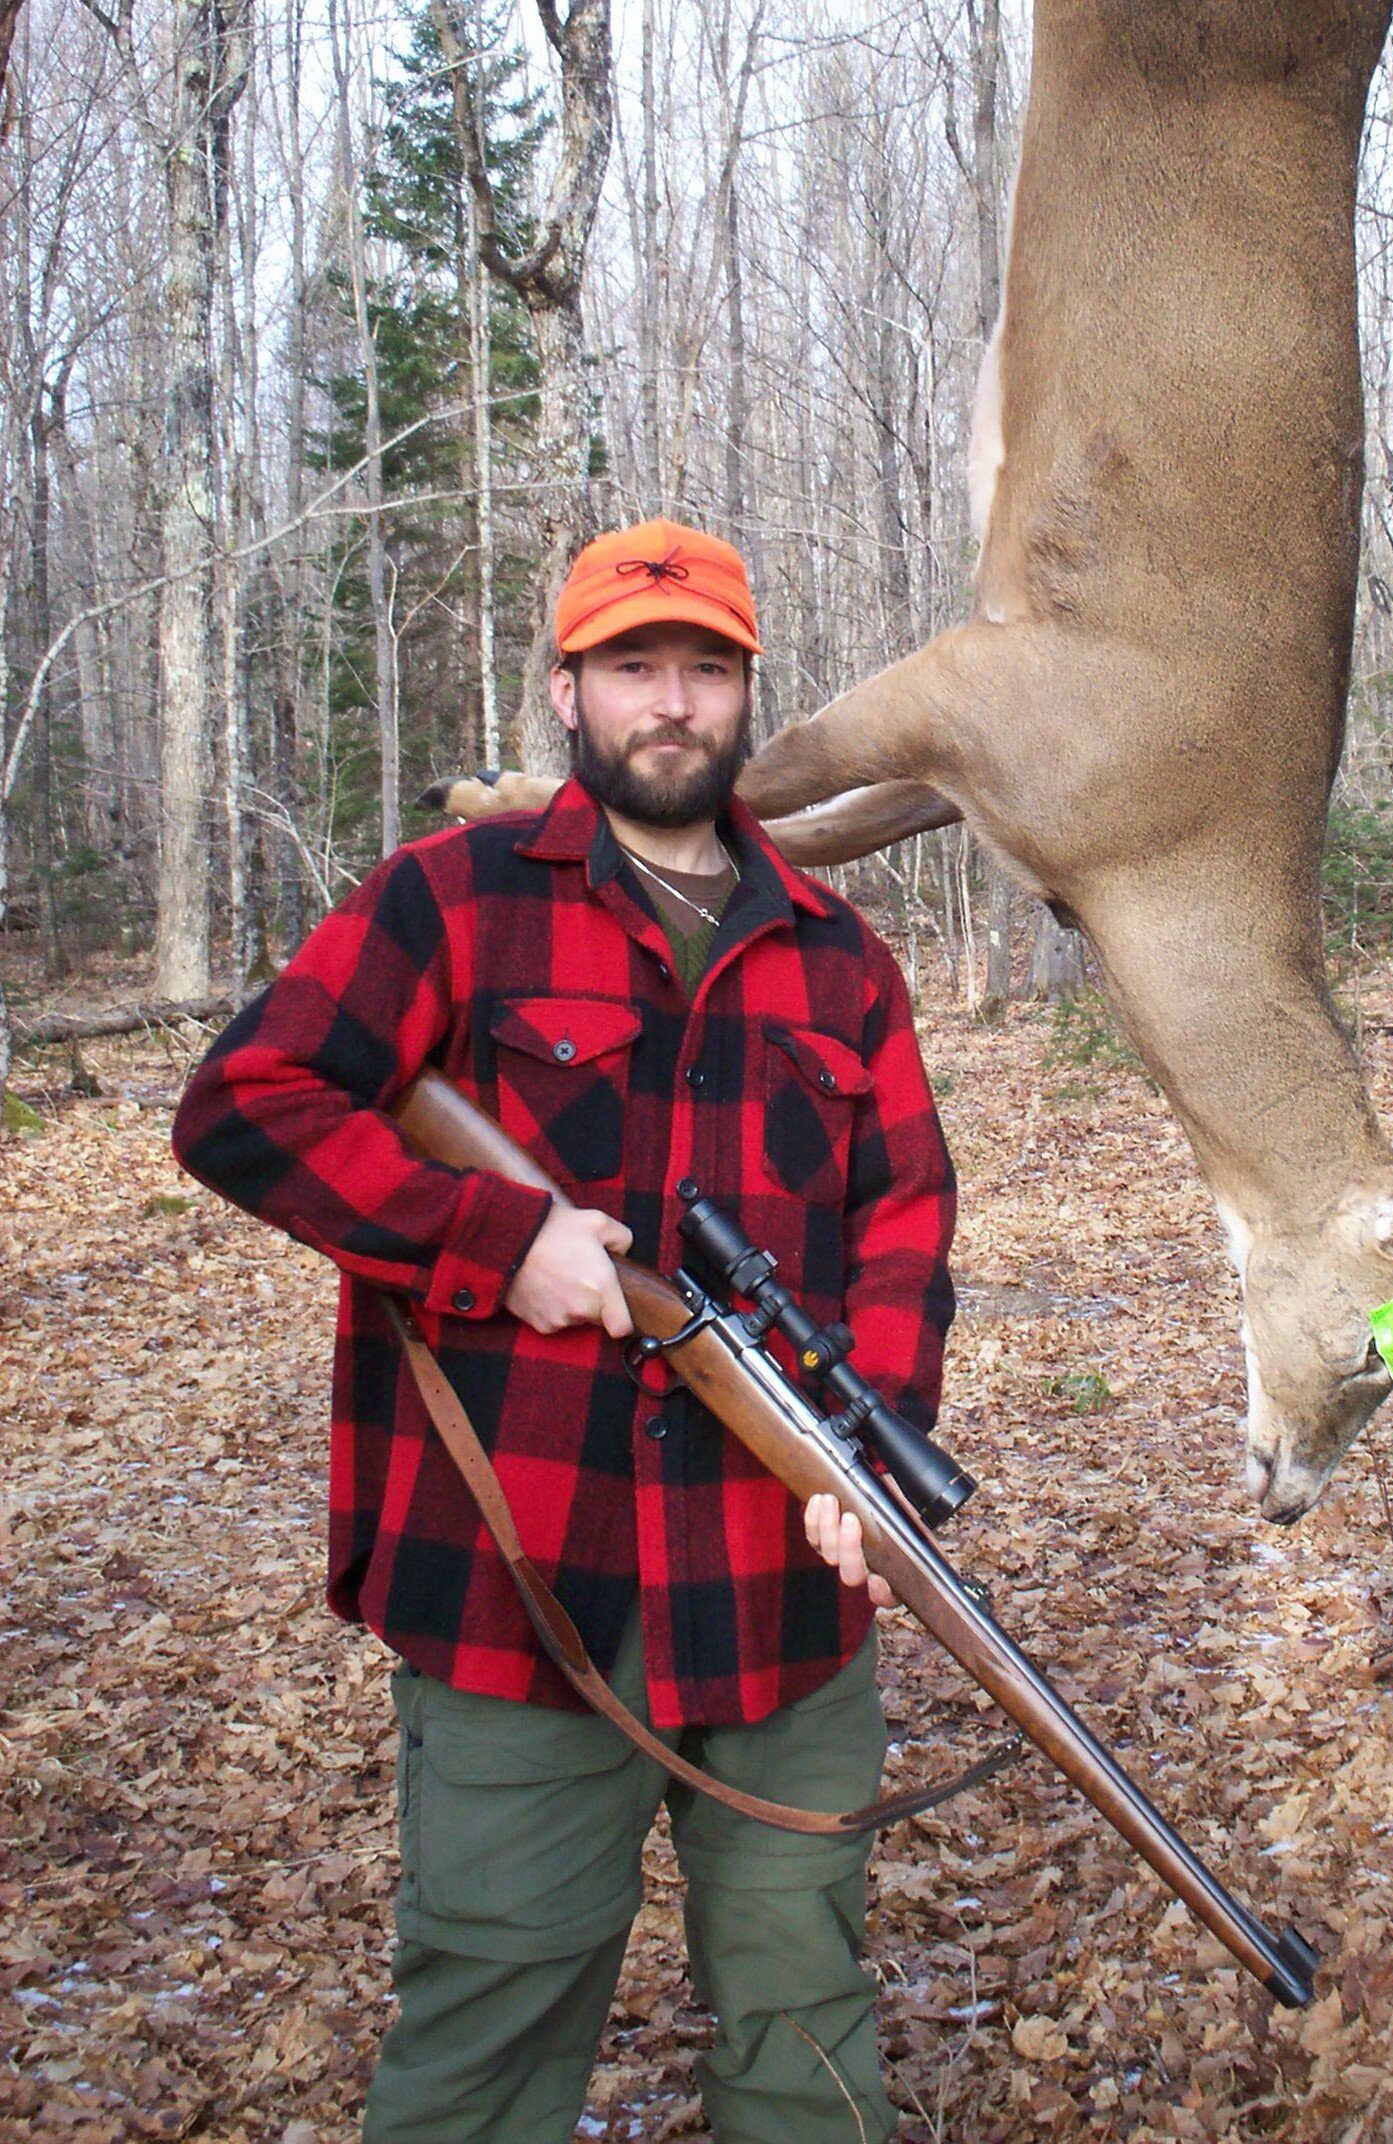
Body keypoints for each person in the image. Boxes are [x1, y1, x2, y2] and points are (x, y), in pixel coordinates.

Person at [171, 517, 957, 2144]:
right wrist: (492, 1235)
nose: (670, 704)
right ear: (569, 691)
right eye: (633, 669)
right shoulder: (450, 902)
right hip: (519, 1586)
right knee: (490, 2023)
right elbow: (246, 1103)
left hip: (780, 1601)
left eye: (704, 670)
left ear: (747, 693)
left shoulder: (839, 957)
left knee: (808, 2022)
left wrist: (859, 1442)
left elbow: (904, 1221)